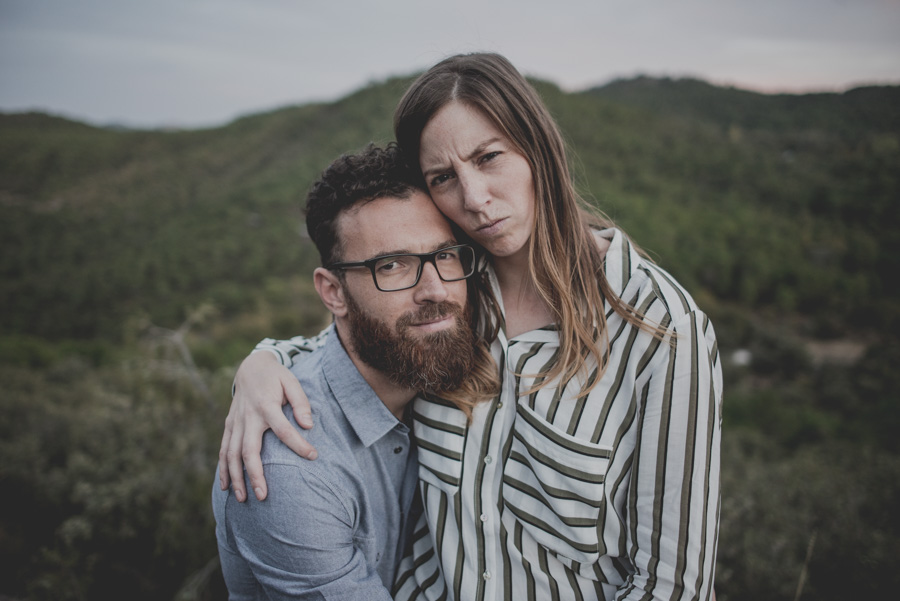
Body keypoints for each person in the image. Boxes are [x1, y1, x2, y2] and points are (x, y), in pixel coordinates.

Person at [220, 53, 723, 600]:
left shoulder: (658, 327)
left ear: (536, 150)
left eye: (489, 158)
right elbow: (360, 339)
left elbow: (672, 587)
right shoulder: (456, 286)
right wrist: (263, 363)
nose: (475, 199)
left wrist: (263, 358)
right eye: (443, 177)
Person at [212, 143, 499, 600]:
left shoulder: (437, 353)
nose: (435, 290)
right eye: (391, 265)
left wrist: (262, 357)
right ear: (333, 293)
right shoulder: (292, 469)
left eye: (444, 256)